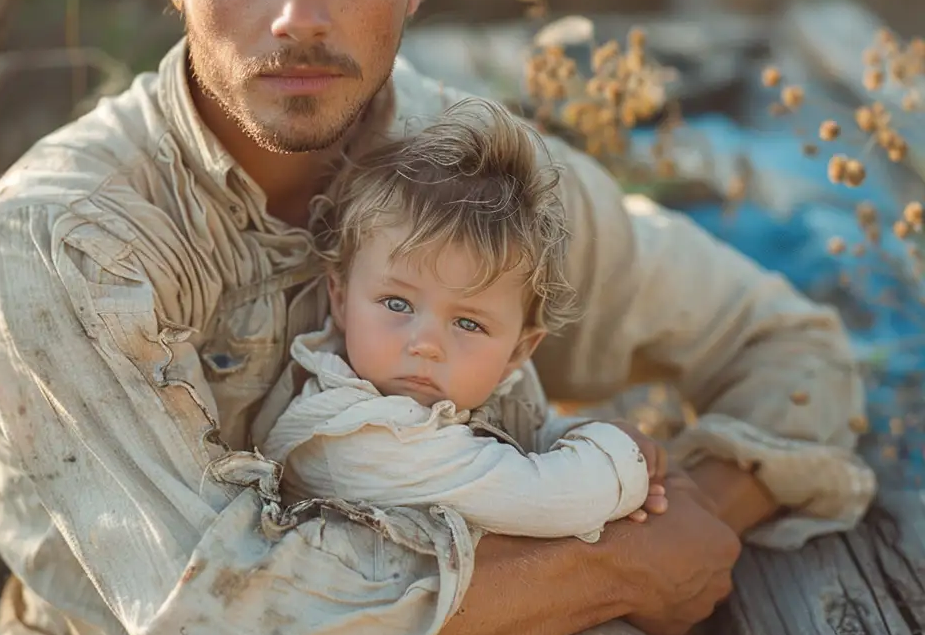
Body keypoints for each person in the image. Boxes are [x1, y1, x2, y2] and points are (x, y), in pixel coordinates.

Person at [0, 0, 874, 635]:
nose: (295, 18)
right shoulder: (63, 235)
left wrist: (694, 512)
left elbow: (791, 347)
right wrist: (617, 564)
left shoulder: (473, 173)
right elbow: (232, 628)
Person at [256, 102, 668, 540]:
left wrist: (582, 432)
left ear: (518, 351)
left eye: (469, 324)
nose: (427, 343)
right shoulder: (350, 437)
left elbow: (533, 432)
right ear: (340, 300)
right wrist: (623, 462)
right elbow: (548, 497)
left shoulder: (487, 385)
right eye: (397, 304)